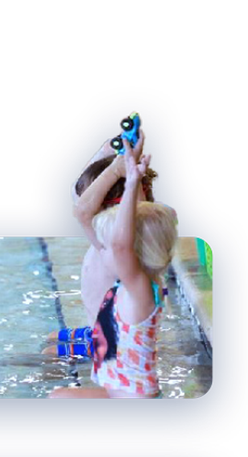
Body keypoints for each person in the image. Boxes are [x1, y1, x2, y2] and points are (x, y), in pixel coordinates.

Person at [50, 137, 177, 398]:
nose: (103, 246)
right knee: (53, 344)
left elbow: (117, 243)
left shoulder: (137, 281)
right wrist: (111, 156)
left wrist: (129, 178)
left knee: (49, 362)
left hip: (129, 391)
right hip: (109, 350)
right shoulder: (131, 270)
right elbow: (82, 204)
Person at [45, 127, 158, 359]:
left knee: (48, 355)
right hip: (104, 330)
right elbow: (79, 191)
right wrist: (109, 150)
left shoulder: (118, 244)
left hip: (115, 347)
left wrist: (118, 169)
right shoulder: (109, 234)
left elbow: (83, 209)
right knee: (51, 338)